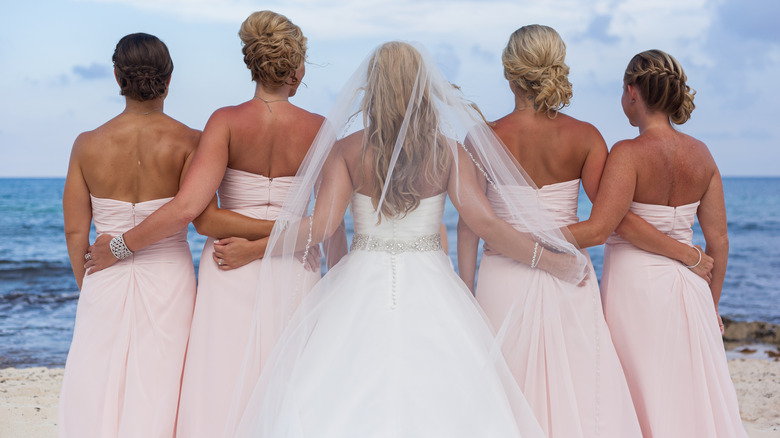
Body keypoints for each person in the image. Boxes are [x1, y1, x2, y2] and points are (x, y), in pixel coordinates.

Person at [227, 41, 592, 438]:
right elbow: (486, 225)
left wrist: (255, 248)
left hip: (359, 279)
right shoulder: (447, 151)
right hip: (432, 279)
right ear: (422, 87)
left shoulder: (347, 150)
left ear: (373, 87)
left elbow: (320, 228)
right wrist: (549, 259)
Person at [457, 24, 644, 437]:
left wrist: (466, 291)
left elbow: (469, 229)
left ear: (510, 73)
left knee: (507, 386)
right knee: (579, 384)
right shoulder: (588, 137)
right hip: (568, 274)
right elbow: (602, 224)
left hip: (502, 276)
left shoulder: (481, 139)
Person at [567, 49, 746, 437]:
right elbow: (720, 241)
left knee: (639, 391)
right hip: (693, 290)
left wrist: (535, 235)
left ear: (632, 92)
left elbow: (609, 226)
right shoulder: (702, 154)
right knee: (686, 395)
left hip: (637, 288)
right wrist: (710, 304)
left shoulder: (627, 154)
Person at [174, 11, 326, 438]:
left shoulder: (225, 121)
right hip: (296, 264)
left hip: (229, 263)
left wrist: (264, 231)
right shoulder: (320, 129)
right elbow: (324, 225)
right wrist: (288, 228)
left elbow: (204, 218)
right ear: (297, 69)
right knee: (289, 373)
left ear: (252, 64)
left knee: (221, 374)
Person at [59, 33, 199, 437]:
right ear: (169, 81)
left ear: (117, 77)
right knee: (164, 377)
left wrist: (89, 285)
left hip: (103, 274)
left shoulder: (86, 144)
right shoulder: (191, 141)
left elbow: (75, 229)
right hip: (170, 276)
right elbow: (193, 213)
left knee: (97, 381)